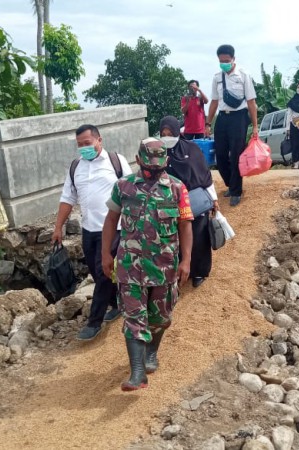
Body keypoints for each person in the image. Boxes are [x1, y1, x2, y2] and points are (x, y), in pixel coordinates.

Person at [101, 137, 193, 391]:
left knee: (160, 317)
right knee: (133, 317)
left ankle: (151, 351)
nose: (153, 171)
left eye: (158, 167)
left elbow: (185, 226)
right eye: (149, 166)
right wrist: (105, 255)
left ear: (167, 162)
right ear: (138, 159)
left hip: (165, 266)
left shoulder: (177, 188)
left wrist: (186, 260)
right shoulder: (123, 187)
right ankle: (137, 371)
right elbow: (110, 221)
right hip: (130, 265)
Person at [53, 124, 132, 341]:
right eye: (79, 145)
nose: (83, 148)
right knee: (98, 274)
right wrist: (58, 227)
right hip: (88, 230)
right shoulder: (75, 166)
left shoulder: (116, 161)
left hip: (114, 229)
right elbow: (68, 198)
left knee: (104, 273)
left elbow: (132, 191)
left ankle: (94, 323)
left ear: (99, 140)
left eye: (87, 143)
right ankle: (117, 304)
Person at [159, 115, 218, 288]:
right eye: (163, 133)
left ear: (178, 132)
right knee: (171, 236)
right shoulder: (157, 152)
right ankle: (176, 270)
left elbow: (204, 175)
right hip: (168, 202)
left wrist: (213, 198)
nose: (167, 136)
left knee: (198, 236)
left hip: (193, 201)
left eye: (170, 133)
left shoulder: (191, 149)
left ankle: (198, 271)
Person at [205, 44, 259, 207]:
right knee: (220, 155)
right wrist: (208, 123)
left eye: (227, 61)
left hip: (239, 118)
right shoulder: (217, 77)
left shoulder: (243, 74)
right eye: (221, 61)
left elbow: (251, 102)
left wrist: (255, 126)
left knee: (236, 155)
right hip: (222, 118)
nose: (224, 64)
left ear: (233, 59)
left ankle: (236, 191)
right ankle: (230, 183)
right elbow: (214, 101)